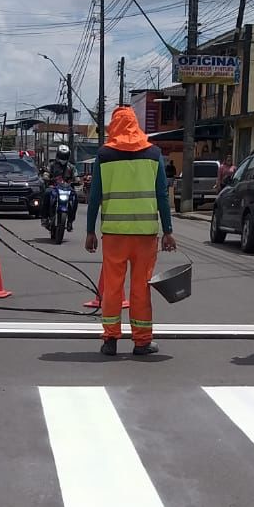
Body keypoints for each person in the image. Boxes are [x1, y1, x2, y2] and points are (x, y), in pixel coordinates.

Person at [86, 106, 176, 357]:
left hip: (114, 234)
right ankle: (142, 342)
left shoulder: (104, 155)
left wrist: (89, 230)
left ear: (114, 125)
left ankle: (110, 340)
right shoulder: (154, 153)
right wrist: (168, 230)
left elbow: (94, 197)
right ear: (136, 124)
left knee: (113, 288)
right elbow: (161, 196)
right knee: (140, 289)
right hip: (145, 236)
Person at [42, 143, 78, 228]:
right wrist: (46, 177)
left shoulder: (71, 167)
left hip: (67, 189)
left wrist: (77, 180)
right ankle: (44, 218)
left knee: (75, 197)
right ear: (58, 155)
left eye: (65, 156)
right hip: (54, 187)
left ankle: (70, 221)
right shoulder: (52, 164)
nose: (63, 158)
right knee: (47, 193)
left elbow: (76, 177)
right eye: (61, 155)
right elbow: (46, 173)